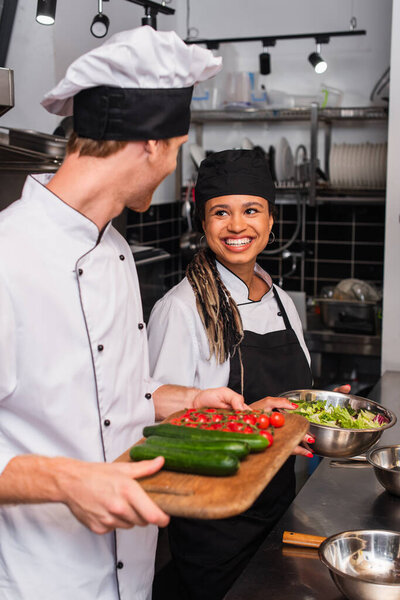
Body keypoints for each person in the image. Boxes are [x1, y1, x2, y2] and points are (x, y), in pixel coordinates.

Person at [0, 27, 247, 600]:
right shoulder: (10, 258)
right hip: (40, 579)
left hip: (130, 573)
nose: (172, 166)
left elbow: (105, 397)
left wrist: (183, 399)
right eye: (179, 147)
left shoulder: (112, 248)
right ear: (153, 144)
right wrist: (68, 481)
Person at [148, 148, 349, 600]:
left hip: (278, 505)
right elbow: (159, 431)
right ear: (203, 223)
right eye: (221, 212)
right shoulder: (181, 310)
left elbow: (285, 402)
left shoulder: (281, 300)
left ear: (271, 220)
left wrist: (318, 410)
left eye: (251, 210)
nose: (237, 226)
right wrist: (248, 421)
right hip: (213, 526)